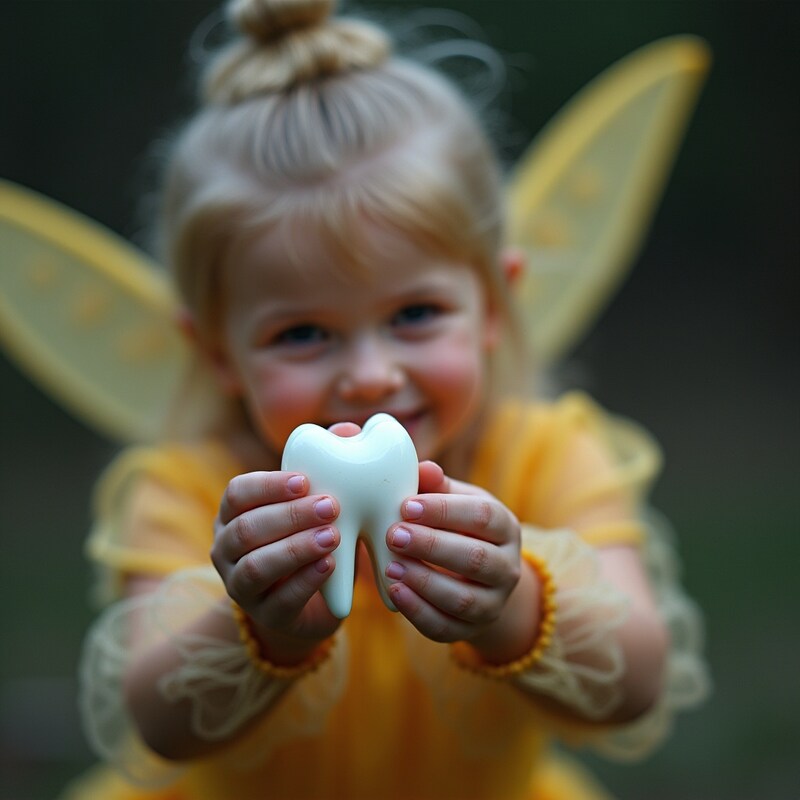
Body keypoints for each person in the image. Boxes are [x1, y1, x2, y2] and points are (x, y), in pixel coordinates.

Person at [62, 1, 708, 798]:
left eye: (415, 315)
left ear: (493, 305)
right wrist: (261, 629)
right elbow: (156, 723)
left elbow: (636, 684)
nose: (369, 375)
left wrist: (512, 606)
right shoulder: (191, 492)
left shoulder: (548, 459)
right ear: (218, 351)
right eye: (303, 333)